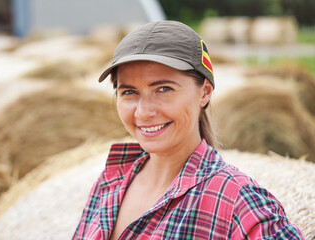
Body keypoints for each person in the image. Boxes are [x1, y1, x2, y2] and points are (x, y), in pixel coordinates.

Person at [72, 20, 304, 239]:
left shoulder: (238, 201)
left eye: (163, 89)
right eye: (129, 92)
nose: (143, 112)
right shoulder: (110, 181)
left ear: (204, 92)